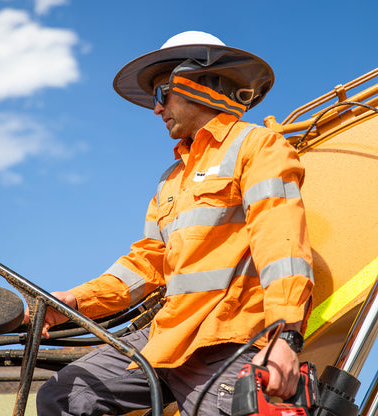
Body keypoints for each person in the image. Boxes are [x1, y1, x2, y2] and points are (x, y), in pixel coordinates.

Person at [28, 31, 314, 416]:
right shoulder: (171, 179)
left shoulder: (258, 147)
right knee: (64, 395)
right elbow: (146, 263)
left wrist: (284, 336)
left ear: (199, 86)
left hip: (226, 339)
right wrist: (76, 302)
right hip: (165, 337)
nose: (156, 110)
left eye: (162, 94)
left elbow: (281, 243)